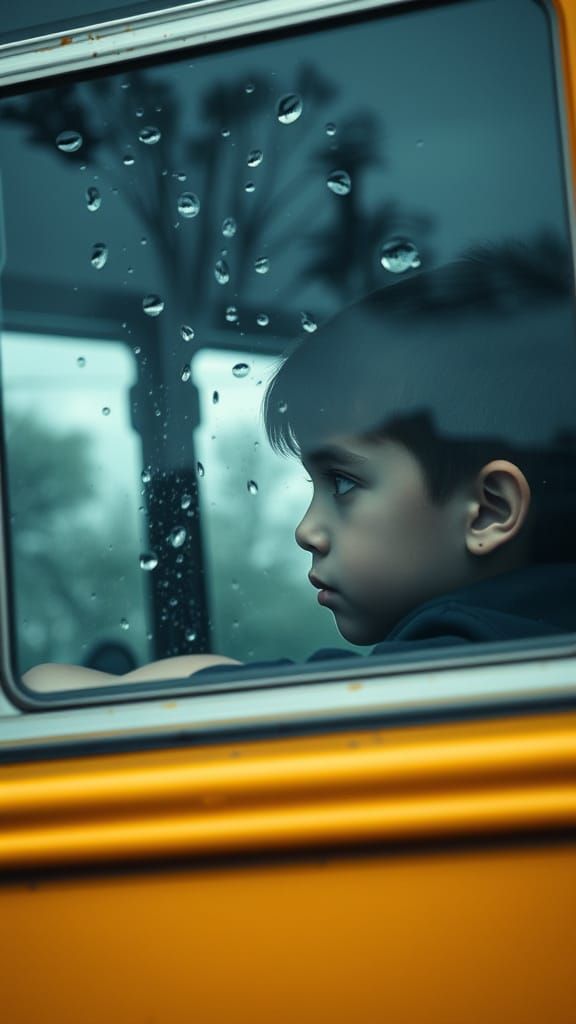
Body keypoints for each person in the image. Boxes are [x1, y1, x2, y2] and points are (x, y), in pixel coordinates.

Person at [23, 240, 576, 691]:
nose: (306, 531)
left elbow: (52, 686)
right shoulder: (542, 629)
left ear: (487, 511)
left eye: (344, 482)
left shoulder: (463, 661)